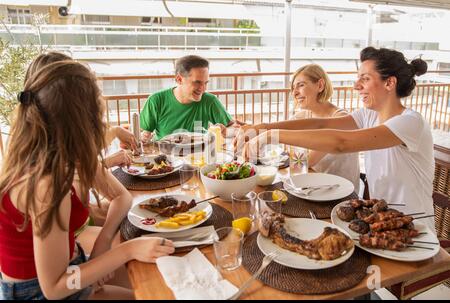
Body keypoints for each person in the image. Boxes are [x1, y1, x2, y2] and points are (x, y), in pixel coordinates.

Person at [0, 59, 174, 300]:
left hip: (73, 266)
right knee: (154, 290)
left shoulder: (60, 156)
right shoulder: (48, 184)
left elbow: (121, 197)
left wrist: (102, 249)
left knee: (154, 283)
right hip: (37, 292)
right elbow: (54, 288)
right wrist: (127, 250)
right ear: (81, 120)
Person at [236, 47, 435, 230]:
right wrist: (262, 127)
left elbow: (341, 143)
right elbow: (319, 123)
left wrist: (271, 136)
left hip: (414, 230)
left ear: (390, 83)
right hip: (380, 223)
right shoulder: (369, 116)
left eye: (364, 79)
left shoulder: (410, 123)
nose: (356, 86)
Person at [25, 51, 138, 169]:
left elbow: (81, 158)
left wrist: (116, 131)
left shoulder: (39, 140)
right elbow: (75, 173)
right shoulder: (50, 166)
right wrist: (105, 164)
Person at [290, 64, 360, 192]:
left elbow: (306, 161)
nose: (294, 92)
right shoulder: (301, 116)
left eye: (301, 85)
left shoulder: (340, 119)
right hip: (314, 186)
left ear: (320, 85)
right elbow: (294, 156)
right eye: (293, 87)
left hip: (341, 194)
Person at [139, 55, 237, 141]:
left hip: (199, 158)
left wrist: (225, 131)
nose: (203, 89)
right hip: (165, 158)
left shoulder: (210, 101)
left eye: (205, 83)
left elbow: (234, 128)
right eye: (197, 82)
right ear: (179, 79)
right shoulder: (156, 100)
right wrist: (144, 136)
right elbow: (142, 133)